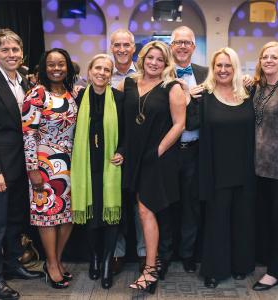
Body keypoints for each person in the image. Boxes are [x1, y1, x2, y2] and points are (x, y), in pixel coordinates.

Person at [117, 40, 186, 293]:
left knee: (146, 210)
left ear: (166, 63)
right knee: (143, 209)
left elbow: (179, 124)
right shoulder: (128, 83)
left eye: (160, 59)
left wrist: (157, 151)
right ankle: (152, 263)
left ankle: (149, 270)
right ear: (143, 58)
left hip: (159, 157)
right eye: (151, 58)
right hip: (134, 157)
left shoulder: (173, 87)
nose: (154, 63)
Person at [0, 28, 43, 300]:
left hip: (23, 166)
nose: (11, 55)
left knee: (15, 222)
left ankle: (12, 265)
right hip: (0, 168)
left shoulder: (24, 81)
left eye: (15, 50)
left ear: (22, 53)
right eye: (5, 50)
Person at [199, 47, 255, 288]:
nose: (223, 70)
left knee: (242, 221)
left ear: (235, 68)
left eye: (228, 66)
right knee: (217, 222)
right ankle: (215, 270)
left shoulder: (248, 94)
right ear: (213, 68)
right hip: (216, 170)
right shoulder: (204, 96)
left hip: (245, 169)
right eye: (219, 66)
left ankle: (240, 266)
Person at [22, 48, 77, 289]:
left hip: (71, 163)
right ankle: (52, 264)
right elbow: (28, 134)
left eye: (61, 64)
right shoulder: (36, 94)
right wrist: (32, 168)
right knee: (48, 217)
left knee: (68, 216)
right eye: (51, 64)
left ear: (68, 67)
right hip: (44, 164)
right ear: (44, 67)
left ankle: (56, 259)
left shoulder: (70, 93)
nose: (56, 68)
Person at [156, 25, 208, 278]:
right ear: (171, 45)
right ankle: (164, 256)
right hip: (168, 150)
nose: (183, 46)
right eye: (178, 42)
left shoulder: (205, 74)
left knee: (191, 206)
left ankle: (187, 254)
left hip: (195, 151)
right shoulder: (160, 74)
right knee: (166, 205)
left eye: (188, 42)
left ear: (194, 47)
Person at [71, 54, 124, 289]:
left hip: (112, 164)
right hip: (86, 163)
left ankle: (106, 264)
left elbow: (128, 132)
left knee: (111, 217)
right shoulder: (79, 96)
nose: (102, 73)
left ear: (111, 74)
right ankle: (93, 257)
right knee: (93, 216)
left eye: (107, 70)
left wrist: (123, 150)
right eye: (98, 68)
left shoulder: (120, 99)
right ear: (89, 71)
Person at [252, 41, 278, 291]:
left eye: (273, 57)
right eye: (265, 56)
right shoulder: (259, 86)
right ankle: (271, 261)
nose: (268, 60)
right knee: (266, 218)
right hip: (258, 166)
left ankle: (277, 271)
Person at [110, 28, 146, 275]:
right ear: (111, 48)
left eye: (126, 45)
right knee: (115, 203)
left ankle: (145, 253)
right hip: (109, 150)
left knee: (140, 203)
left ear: (134, 48)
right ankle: (117, 254)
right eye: (117, 45)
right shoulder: (100, 73)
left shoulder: (144, 76)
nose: (122, 49)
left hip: (138, 149)